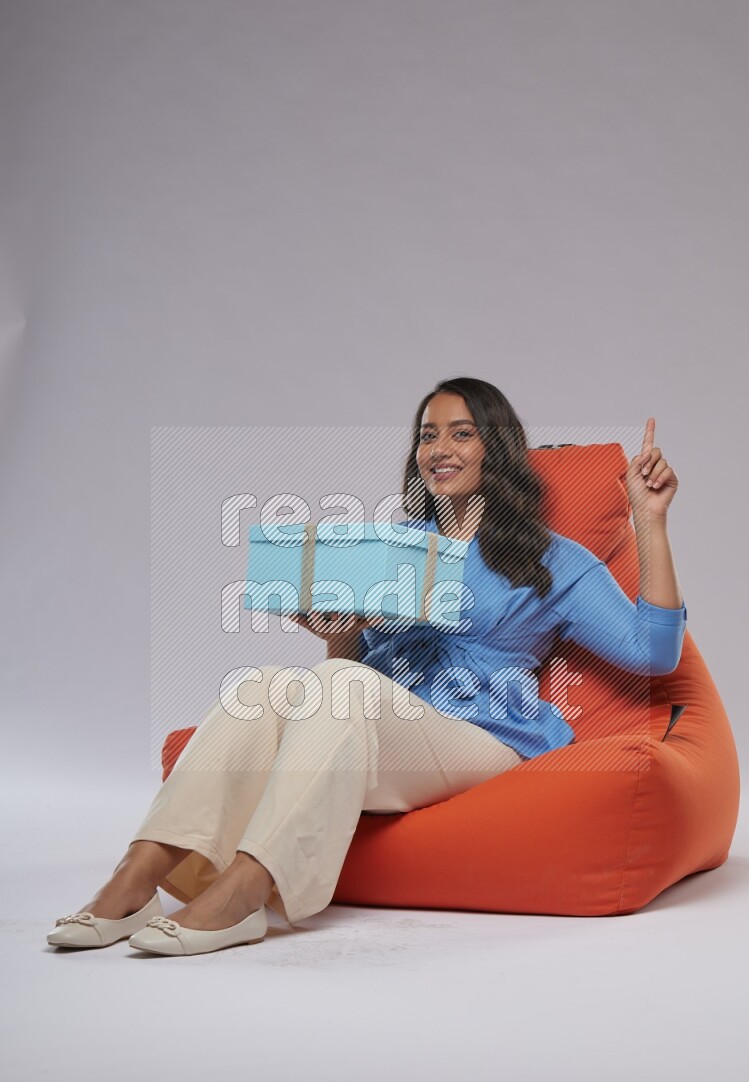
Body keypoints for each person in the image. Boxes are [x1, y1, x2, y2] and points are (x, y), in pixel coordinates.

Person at [46, 378, 686, 956]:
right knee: (262, 684)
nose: (439, 448)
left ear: (498, 450)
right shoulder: (399, 549)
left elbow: (652, 651)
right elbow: (354, 679)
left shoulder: (551, 558)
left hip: (485, 736)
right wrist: (343, 636)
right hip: (384, 723)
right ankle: (138, 875)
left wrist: (649, 519)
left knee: (342, 685)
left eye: (461, 433)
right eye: (427, 435)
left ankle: (246, 891)